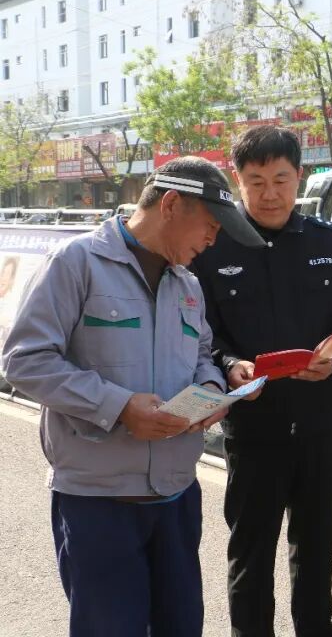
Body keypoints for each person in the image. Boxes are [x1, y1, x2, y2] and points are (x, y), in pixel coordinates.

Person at [0, 156, 266, 637]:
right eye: (210, 226)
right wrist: (118, 407)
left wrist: (210, 388)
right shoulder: (76, 263)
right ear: (171, 204)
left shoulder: (187, 284)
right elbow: (24, 361)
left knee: (180, 627)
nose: (213, 240)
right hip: (98, 502)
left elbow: (202, 353)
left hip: (176, 495)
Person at [192, 125, 332, 637]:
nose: (270, 194)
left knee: (317, 548)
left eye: (280, 180)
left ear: (300, 176)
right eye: (256, 182)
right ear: (238, 181)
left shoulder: (326, 240)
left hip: (320, 424)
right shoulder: (213, 245)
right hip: (254, 427)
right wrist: (230, 363)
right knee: (250, 552)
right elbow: (203, 332)